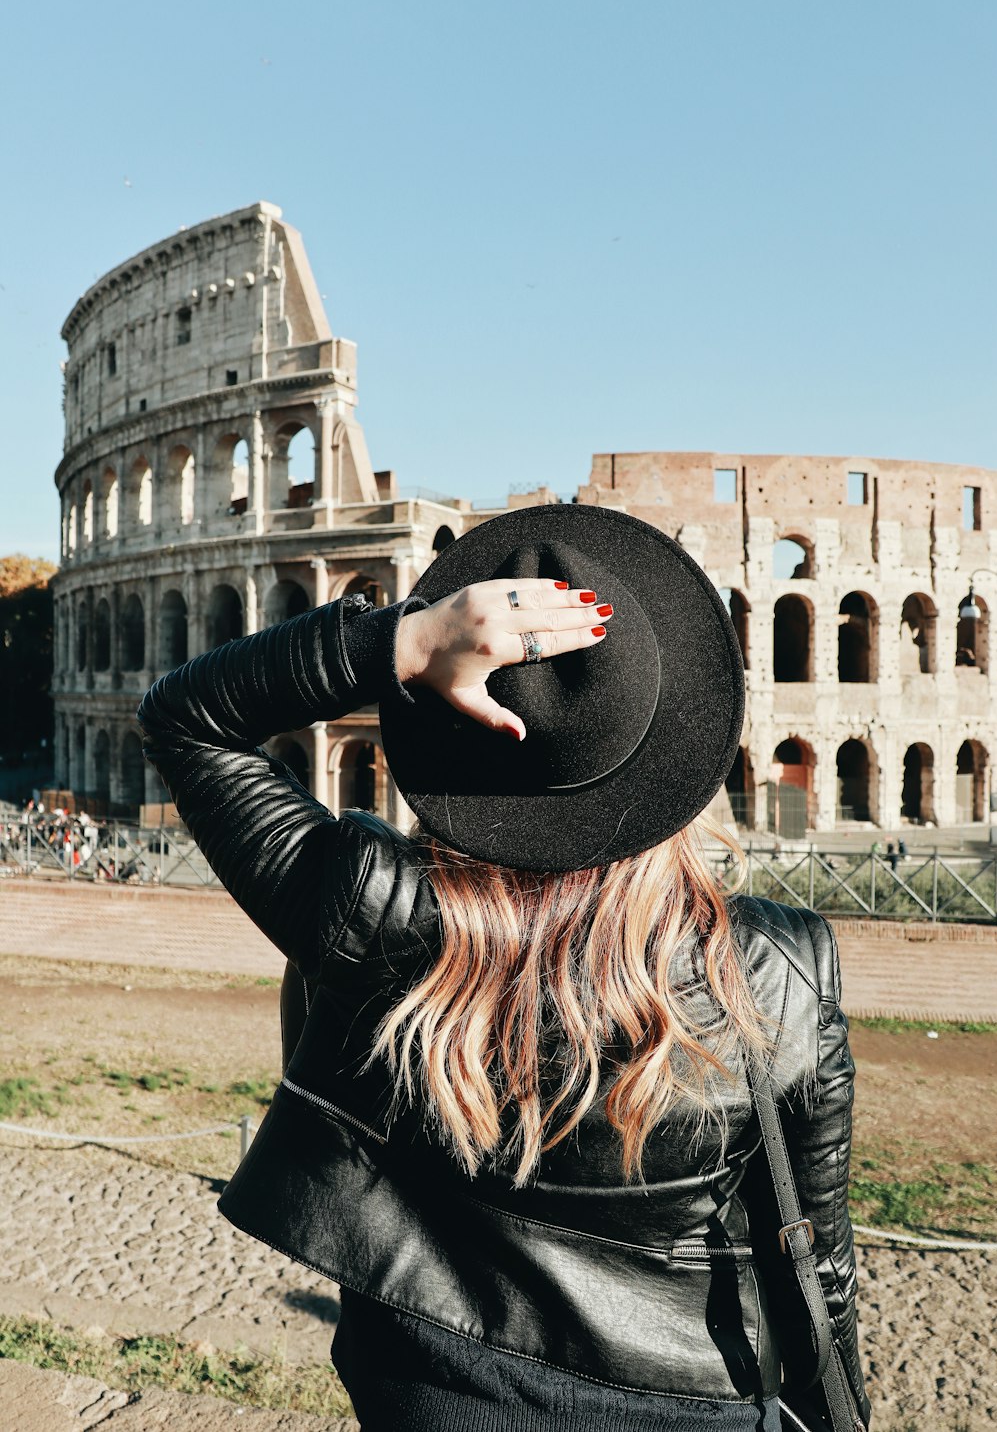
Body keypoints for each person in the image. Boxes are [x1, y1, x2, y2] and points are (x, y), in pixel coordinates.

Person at [138, 504, 869, 1432]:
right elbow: (819, 1264)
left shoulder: (371, 914)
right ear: (676, 746)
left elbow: (187, 717)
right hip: (692, 1402)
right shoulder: (778, 971)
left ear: (452, 725)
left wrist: (404, 640)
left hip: (429, 1396)